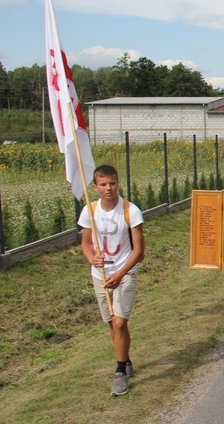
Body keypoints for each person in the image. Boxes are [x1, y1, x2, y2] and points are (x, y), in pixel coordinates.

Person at [78, 164, 145, 397]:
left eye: (113, 183)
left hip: (125, 272)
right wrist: (92, 259)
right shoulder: (90, 210)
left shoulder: (130, 211)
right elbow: (85, 243)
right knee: (112, 323)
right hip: (101, 275)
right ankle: (125, 359)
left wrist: (120, 273)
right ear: (95, 187)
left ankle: (119, 373)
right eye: (104, 184)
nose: (109, 188)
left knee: (119, 322)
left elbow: (139, 251)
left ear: (118, 183)